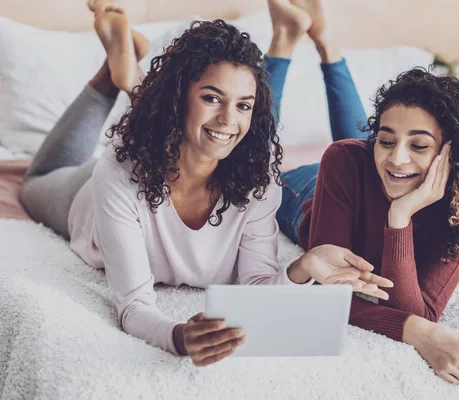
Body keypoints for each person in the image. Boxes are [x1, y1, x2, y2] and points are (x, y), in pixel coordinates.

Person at [19, 1, 393, 367]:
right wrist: (178, 336)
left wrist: (303, 267)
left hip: (160, 150)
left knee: (185, 132)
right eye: (212, 98)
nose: (229, 119)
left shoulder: (257, 180)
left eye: (244, 105)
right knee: (33, 184)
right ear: (180, 97)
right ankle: (112, 75)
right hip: (89, 201)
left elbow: (258, 287)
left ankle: (130, 78)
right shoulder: (118, 172)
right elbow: (133, 305)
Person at [267, 0, 459, 385]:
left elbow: (416, 306)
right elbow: (331, 296)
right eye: (385, 139)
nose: (398, 157)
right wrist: (416, 331)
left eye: (420, 145)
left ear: (450, 154)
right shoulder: (346, 161)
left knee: (378, 157)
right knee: (251, 163)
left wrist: (400, 216)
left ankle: (324, 40)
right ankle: (284, 39)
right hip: (303, 191)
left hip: (373, 175)